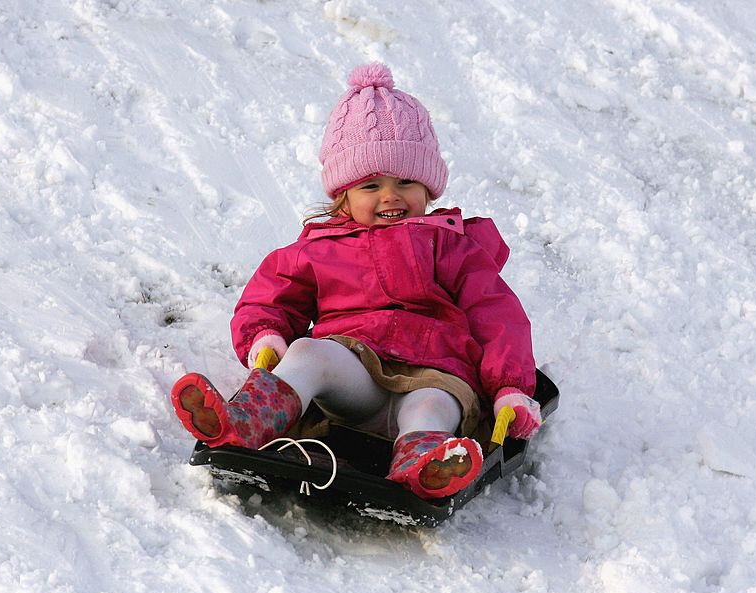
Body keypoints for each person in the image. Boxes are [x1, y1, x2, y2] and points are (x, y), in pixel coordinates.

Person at [171, 62, 541, 500]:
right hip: (355, 382)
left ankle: (422, 466)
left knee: (432, 408)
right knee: (309, 351)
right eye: (371, 185)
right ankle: (244, 424)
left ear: (430, 190)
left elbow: (497, 316)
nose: (390, 195)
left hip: (434, 378)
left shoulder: (453, 247)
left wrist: (509, 388)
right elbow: (273, 294)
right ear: (343, 195)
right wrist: (265, 336)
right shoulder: (321, 247)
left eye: (406, 181)